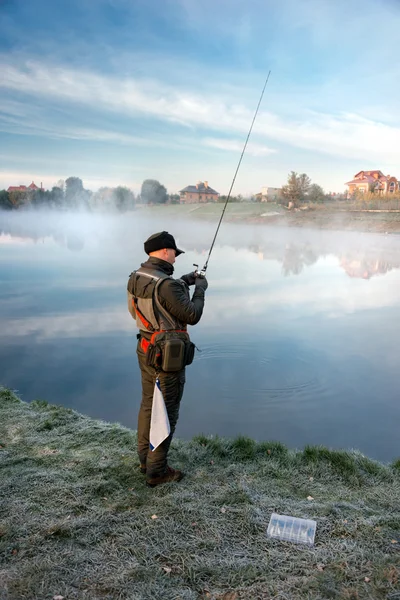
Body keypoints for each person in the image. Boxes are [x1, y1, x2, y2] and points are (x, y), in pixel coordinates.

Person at [127, 231, 208, 487]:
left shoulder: (137, 277)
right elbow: (192, 314)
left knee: (149, 405)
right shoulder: (167, 284)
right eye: (174, 252)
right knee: (167, 411)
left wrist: (185, 280)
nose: (175, 257)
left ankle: (145, 459)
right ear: (164, 251)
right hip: (166, 358)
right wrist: (201, 290)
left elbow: (158, 298)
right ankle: (157, 471)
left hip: (146, 348)